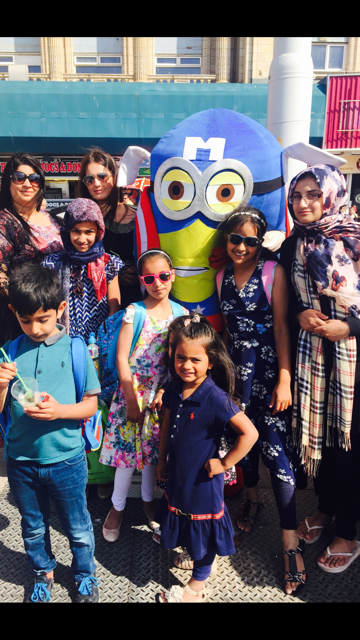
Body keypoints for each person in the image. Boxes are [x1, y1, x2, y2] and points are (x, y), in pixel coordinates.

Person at [218, 206, 305, 596]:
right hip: (237, 378)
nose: (241, 246)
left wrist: (285, 379)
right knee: (244, 445)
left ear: (260, 243)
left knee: (277, 454)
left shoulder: (273, 273)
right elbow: (223, 335)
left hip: (270, 378)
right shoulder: (220, 277)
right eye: (235, 238)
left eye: (250, 240)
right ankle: (252, 500)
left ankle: (290, 545)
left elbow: (284, 326)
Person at [0, 264, 101, 602]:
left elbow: (89, 405)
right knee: (32, 527)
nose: (34, 328)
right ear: (14, 312)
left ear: (60, 309)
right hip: (20, 460)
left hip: (67, 460)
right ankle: (42, 573)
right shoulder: (10, 353)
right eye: (25, 320)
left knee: (78, 527)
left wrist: (60, 411)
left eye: (43, 319)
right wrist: (1, 386)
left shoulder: (76, 350)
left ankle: (85, 574)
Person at [279, 164, 360, 574]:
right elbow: (287, 297)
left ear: (332, 194)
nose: (304, 203)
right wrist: (300, 314)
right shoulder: (295, 243)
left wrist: (350, 325)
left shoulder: (354, 240)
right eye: (297, 195)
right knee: (325, 444)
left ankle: (348, 531)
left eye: (313, 194)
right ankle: (326, 510)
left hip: (353, 361)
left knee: (349, 447)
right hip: (313, 357)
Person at [154, 315, 258, 603]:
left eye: (195, 360)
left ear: (210, 362)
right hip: (179, 475)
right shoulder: (175, 387)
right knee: (185, 518)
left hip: (203, 481)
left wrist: (225, 464)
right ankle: (193, 553)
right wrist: (162, 460)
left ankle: (196, 586)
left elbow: (250, 434)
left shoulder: (215, 398)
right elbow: (166, 425)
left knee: (203, 527)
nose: (186, 365)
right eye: (180, 358)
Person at [99, 249, 188, 541]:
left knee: (152, 454)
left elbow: (179, 360)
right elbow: (122, 358)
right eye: (150, 278)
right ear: (141, 281)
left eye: (163, 276)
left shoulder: (181, 314)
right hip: (131, 393)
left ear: (172, 275)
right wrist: (131, 398)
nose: (158, 283)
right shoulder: (134, 312)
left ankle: (149, 501)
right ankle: (117, 507)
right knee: (127, 457)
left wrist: (164, 390)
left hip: (161, 395)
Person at [0, 153, 63, 344]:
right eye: (19, 178)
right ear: (8, 183)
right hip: (29, 317)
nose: (27, 184)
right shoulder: (5, 221)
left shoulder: (49, 217)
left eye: (34, 178)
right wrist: (28, 305)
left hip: (58, 308)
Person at [42, 198, 123, 343]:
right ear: (67, 231)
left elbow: (114, 309)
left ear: (99, 232)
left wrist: (105, 339)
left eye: (89, 232)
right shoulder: (52, 264)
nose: (82, 238)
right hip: (61, 338)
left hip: (98, 339)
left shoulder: (108, 264)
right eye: (76, 231)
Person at [78, 148, 141, 309]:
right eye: (89, 179)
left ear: (115, 177)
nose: (96, 184)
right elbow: (78, 262)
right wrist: (117, 274)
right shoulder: (82, 220)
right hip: (99, 304)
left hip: (142, 299)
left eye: (102, 176)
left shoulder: (139, 215)